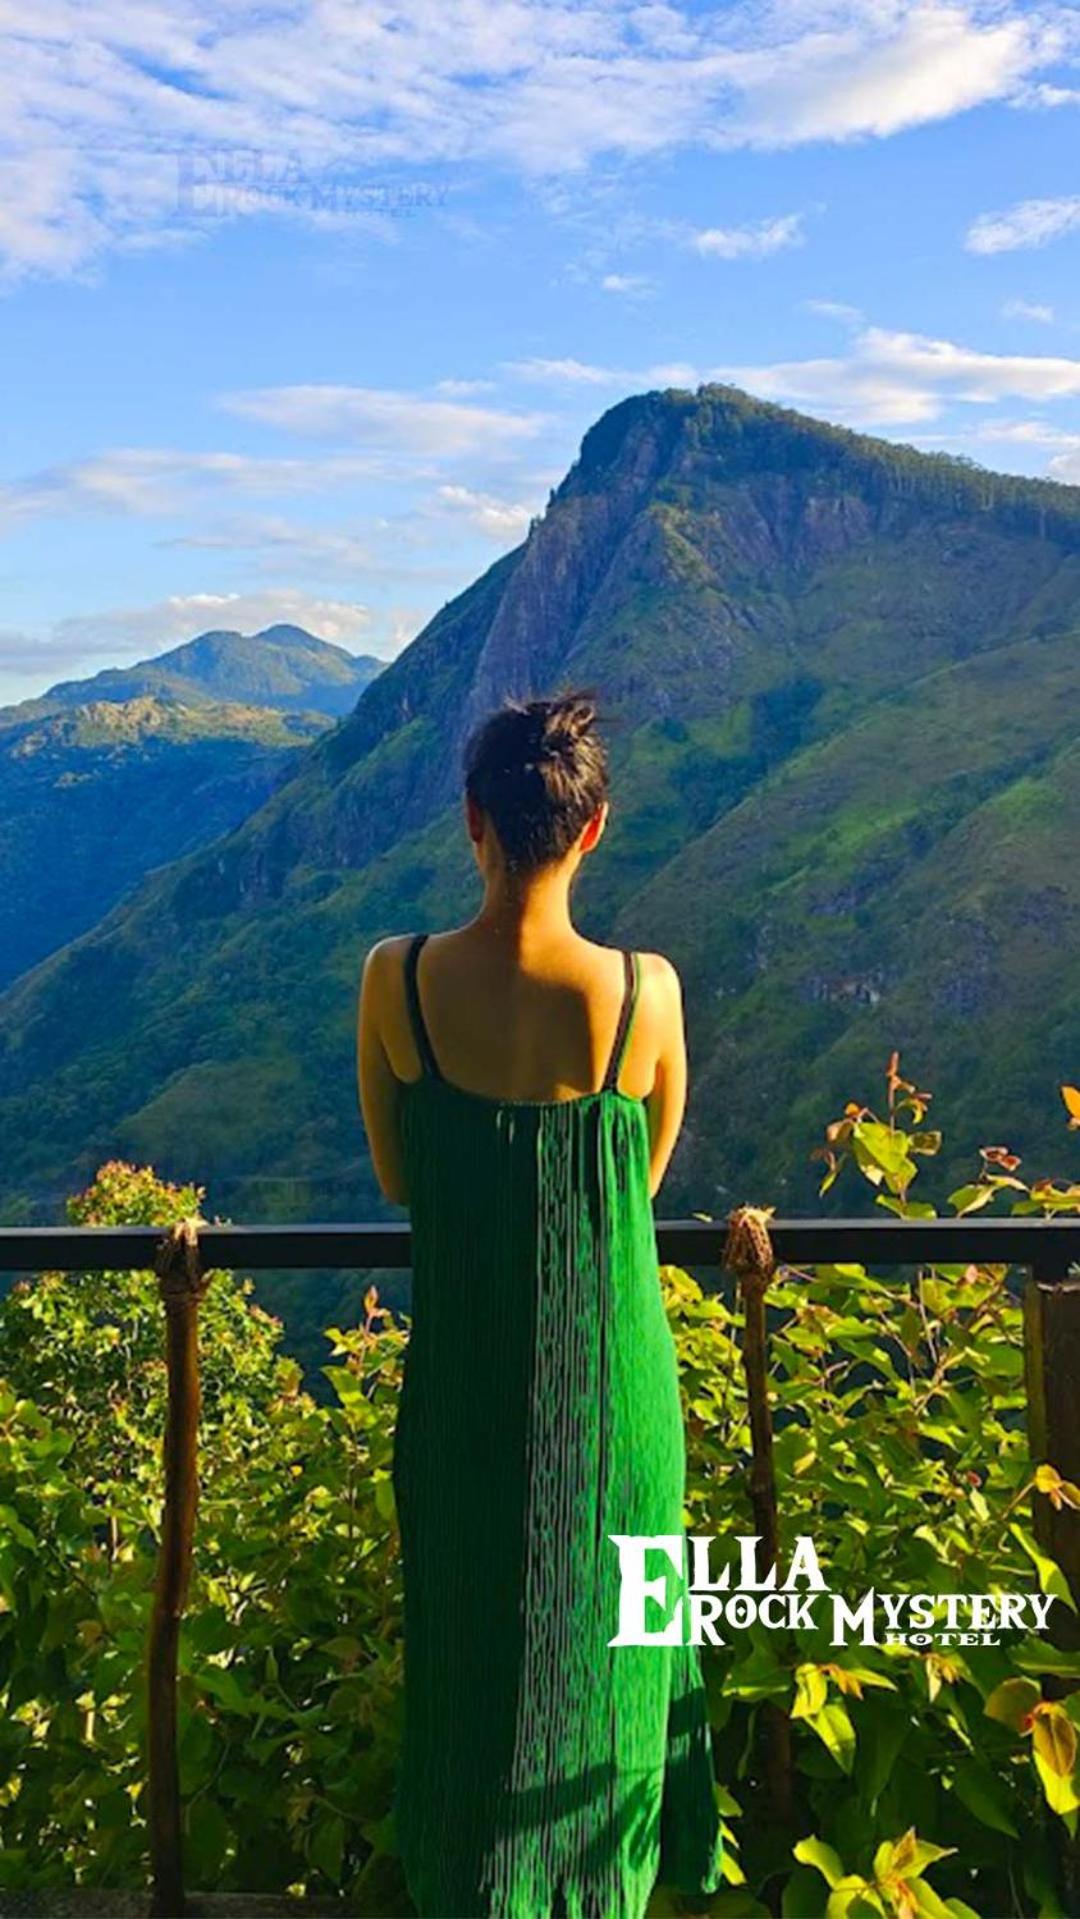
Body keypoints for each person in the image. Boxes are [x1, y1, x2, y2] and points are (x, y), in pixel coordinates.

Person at [357, 690, 723, 1919]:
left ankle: (468, 1885)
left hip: (464, 1382)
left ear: (472, 820)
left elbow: (402, 1176)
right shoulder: (645, 993)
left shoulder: (398, 981)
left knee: (469, 1655)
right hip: (615, 1392)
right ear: (594, 828)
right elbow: (637, 1186)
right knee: (612, 1670)